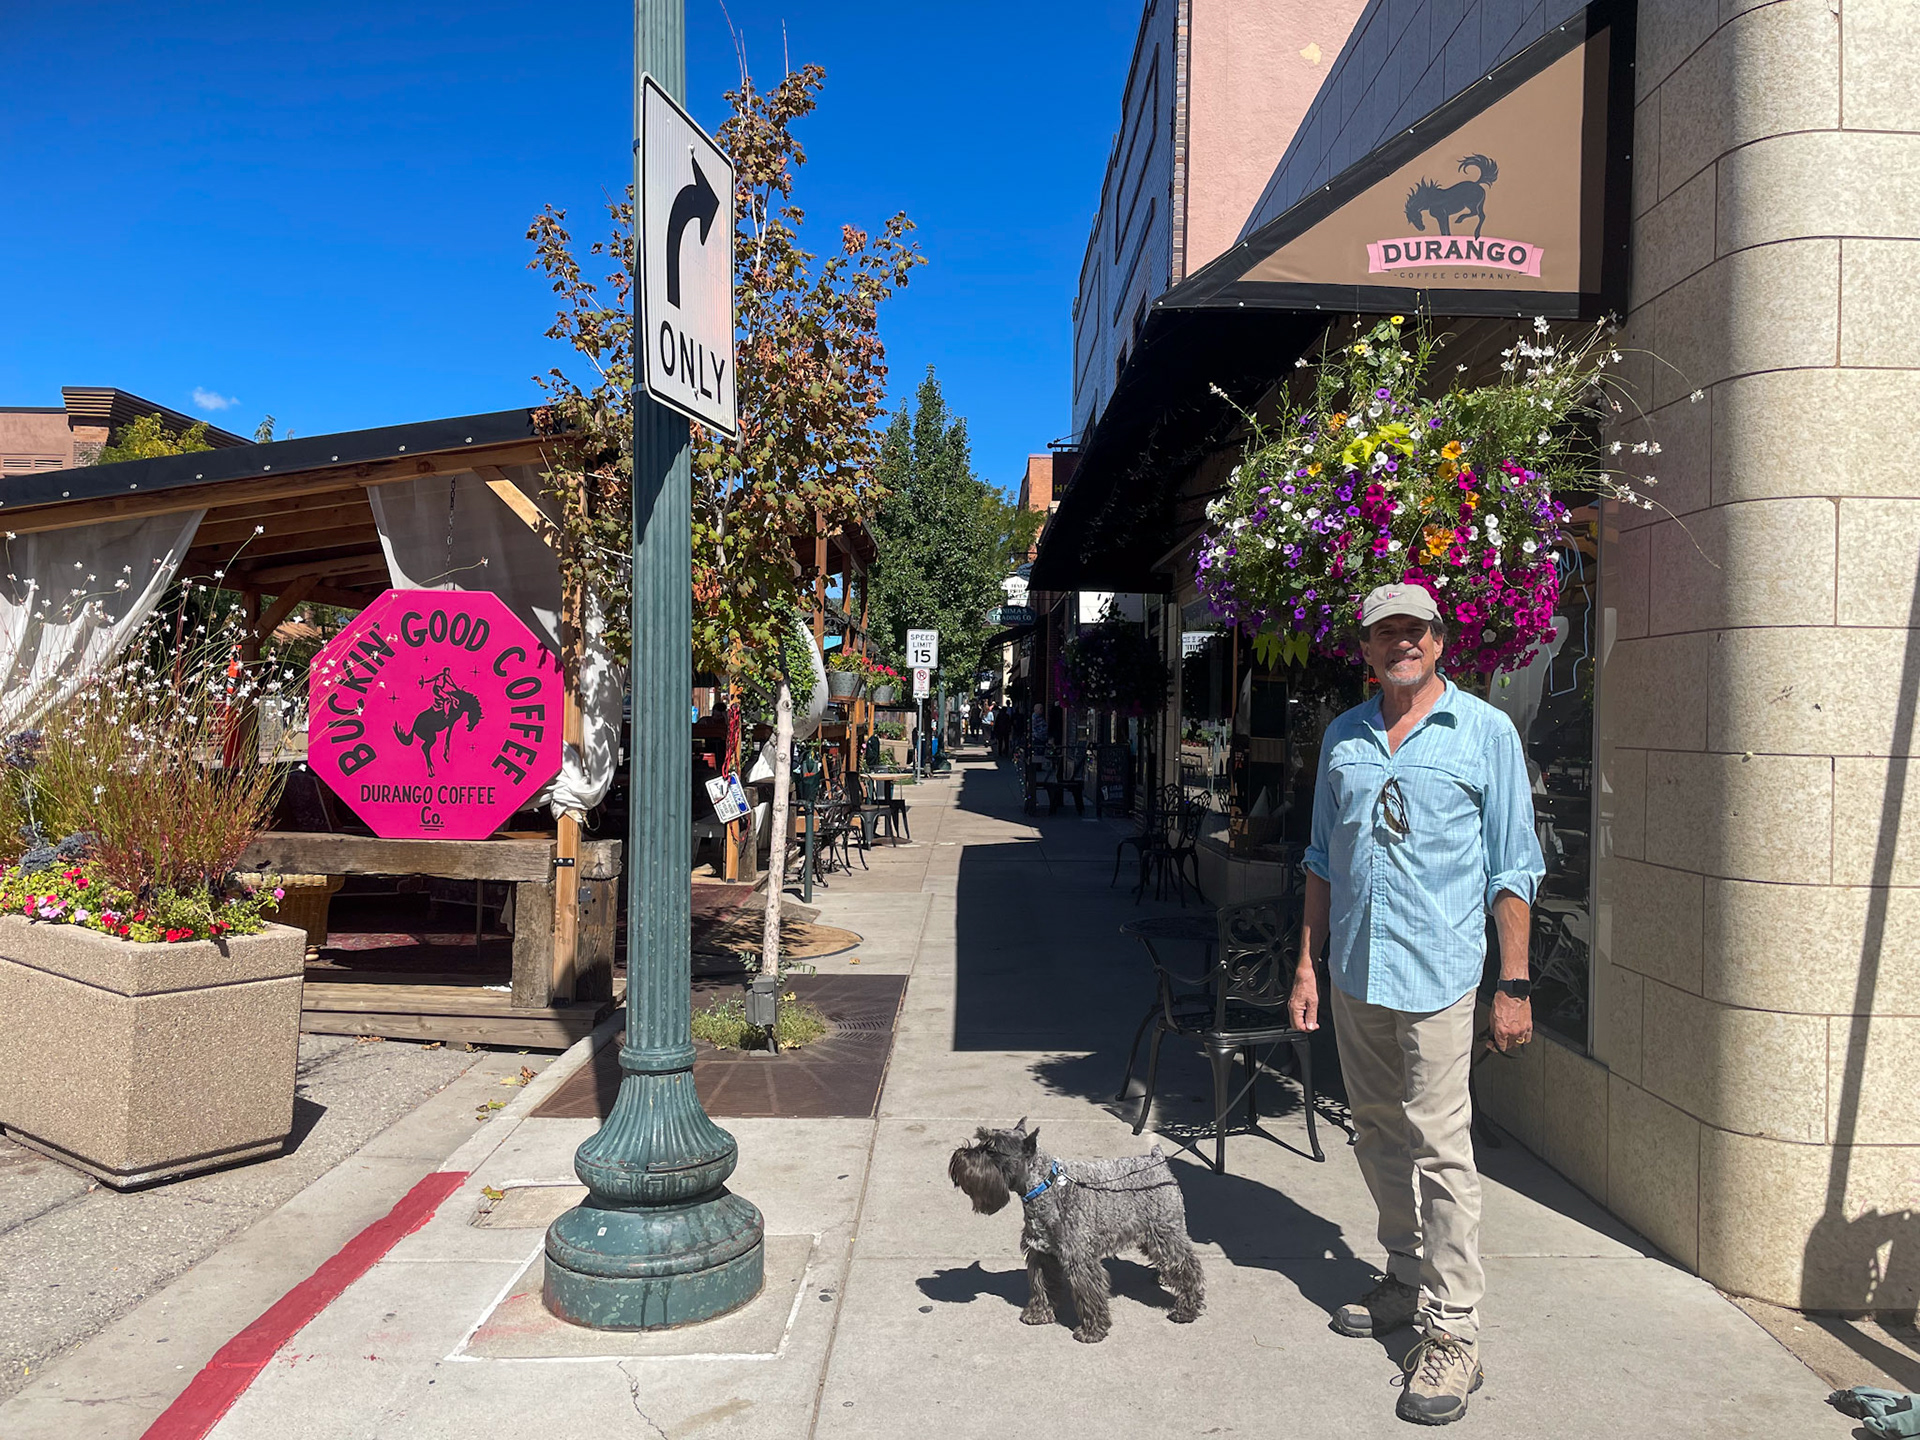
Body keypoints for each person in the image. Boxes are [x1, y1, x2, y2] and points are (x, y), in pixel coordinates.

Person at [1289, 583, 1544, 1427]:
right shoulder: (1344, 739)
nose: (1400, 644)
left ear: (1439, 641)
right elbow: (1322, 859)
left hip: (1442, 977)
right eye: (1383, 633)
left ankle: (1455, 1333)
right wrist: (1307, 966)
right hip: (1359, 972)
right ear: (1364, 649)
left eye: (1414, 630)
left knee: (1442, 1146)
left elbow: (1514, 865)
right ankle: (1404, 1274)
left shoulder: (1485, 734)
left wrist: (1512, 984)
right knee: (1376, 1133)